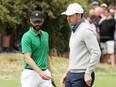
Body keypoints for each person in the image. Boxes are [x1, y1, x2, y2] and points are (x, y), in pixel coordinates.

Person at [61, 3, 101, 87]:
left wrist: (88, 72)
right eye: (67, 16)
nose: (68, 18)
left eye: (70, 15)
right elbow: (76, 55)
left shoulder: (86, 30)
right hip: (72, 74)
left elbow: (96, 52)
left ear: (79, 15)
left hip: (82, 75)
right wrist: (67, 72)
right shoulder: (74, 30)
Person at [21, 10, 53, 87]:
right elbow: (27, 58)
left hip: (45, 72)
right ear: (30, 21)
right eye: (35, 22)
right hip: (30, 74)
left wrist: (50, 73)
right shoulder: (26, 36)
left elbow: (45, 54)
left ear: (43, 21)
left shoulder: (46, 35)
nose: (37, 24)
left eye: (39, 21)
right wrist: (40, 72)